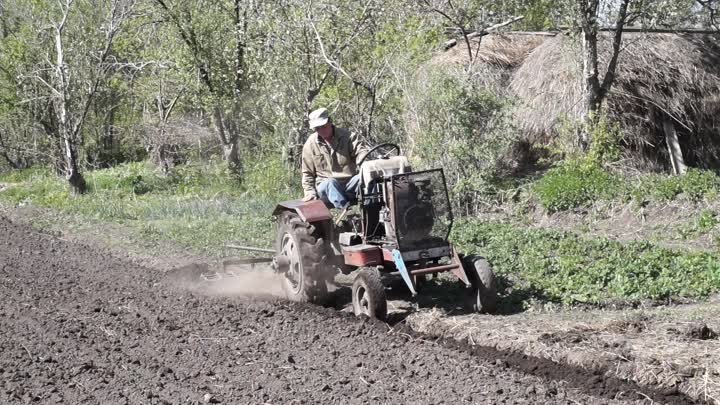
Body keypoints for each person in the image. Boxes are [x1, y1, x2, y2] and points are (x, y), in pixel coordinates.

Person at [301, 107, 368, 209]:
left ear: (330, 121)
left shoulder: (348, 137)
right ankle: (345, 212)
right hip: (326, 185)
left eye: (323, 126)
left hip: (349, 183)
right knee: (330, 183)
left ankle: (374, 213)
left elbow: (361, 153)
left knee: (366, 178)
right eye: (317, 128)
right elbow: (307, 172)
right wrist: (309, 191)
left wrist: (365, 164)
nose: (321, 130)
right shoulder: (310, 144)